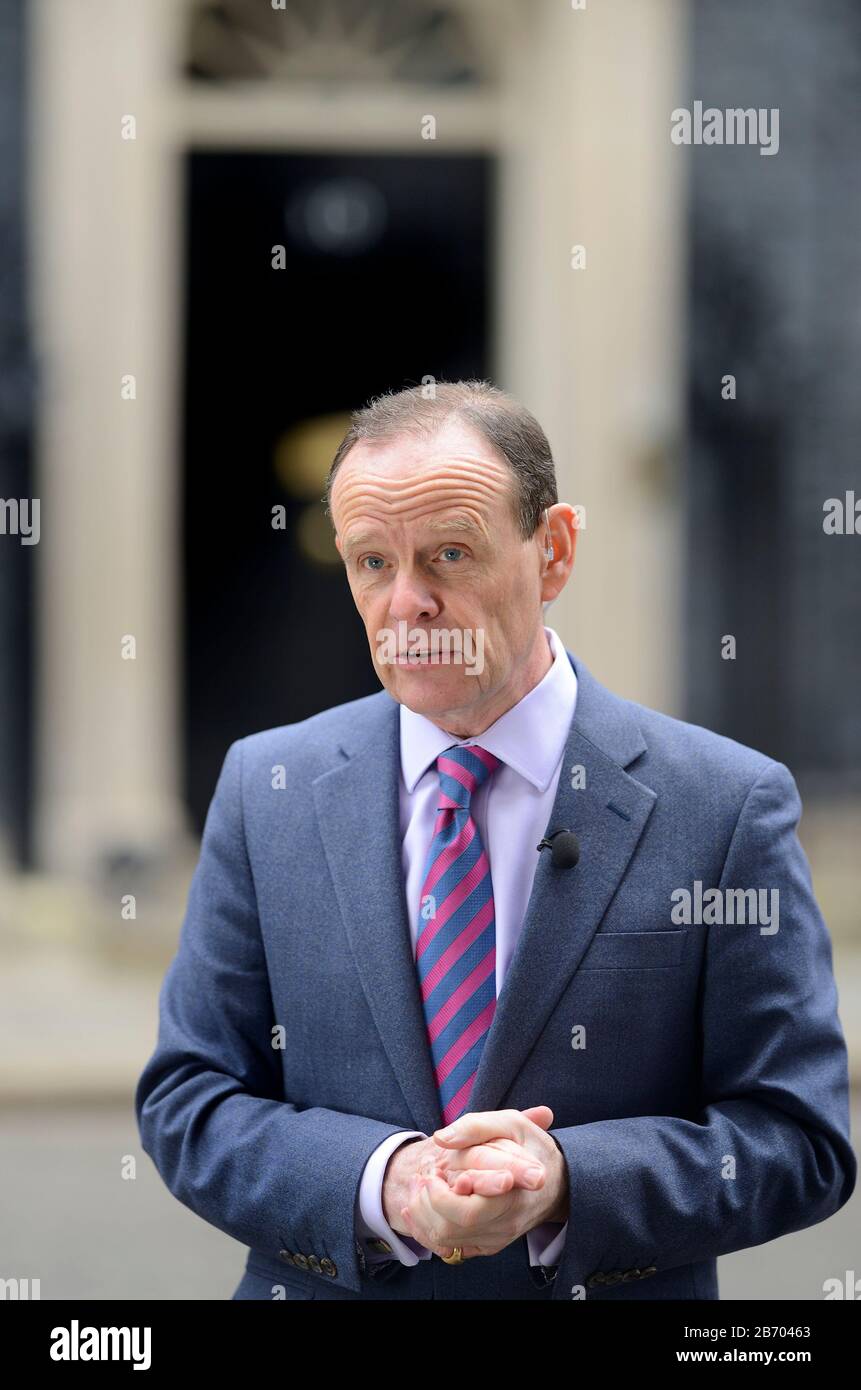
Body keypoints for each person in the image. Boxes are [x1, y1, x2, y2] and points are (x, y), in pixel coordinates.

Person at [135, 380, 856, 1301]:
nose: (407, 604)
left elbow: (798, 1141)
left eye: (449, 554)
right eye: (369, 563)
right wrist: (383, 1183)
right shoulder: (264, 788)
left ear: (552, 551)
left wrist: (564, 1183)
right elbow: (187, 1102)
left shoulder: (724, 804)